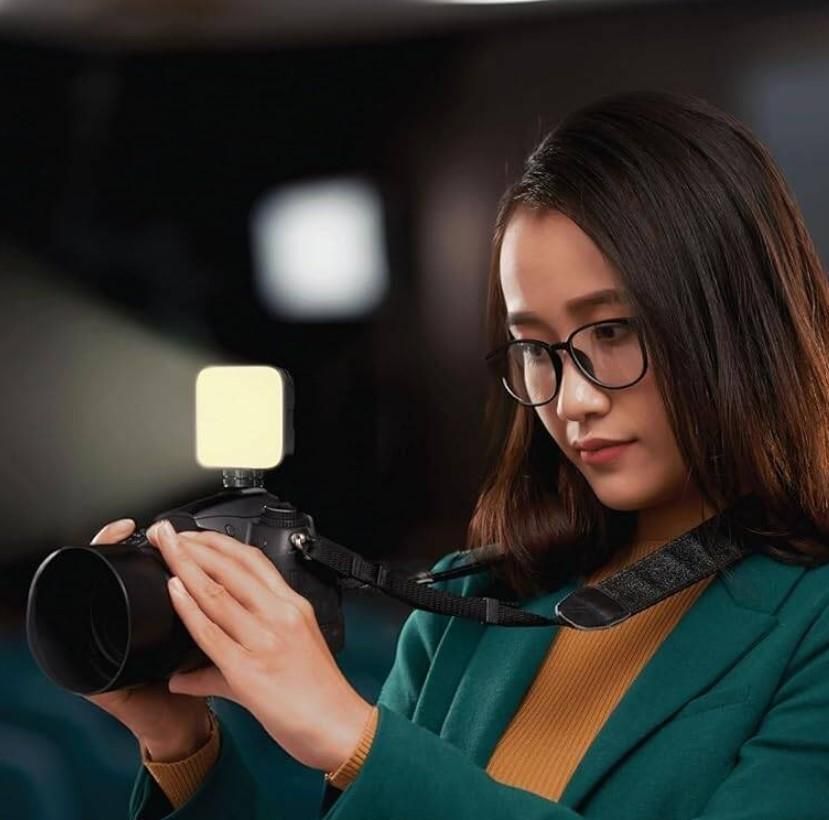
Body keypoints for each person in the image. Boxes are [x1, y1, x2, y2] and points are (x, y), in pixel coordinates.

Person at [88, 89, 829, 819]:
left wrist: (356, 740)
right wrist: (180, 745)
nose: (571, 401)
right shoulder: (470, 604)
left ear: (734, 323)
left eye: (612, 331)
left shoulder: (812, 621)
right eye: (535, 348)